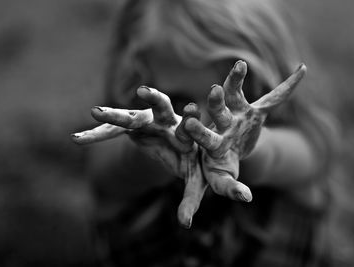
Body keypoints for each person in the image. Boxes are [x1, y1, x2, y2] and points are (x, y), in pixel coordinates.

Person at [72, 0, 338, 266]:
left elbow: (310, 153)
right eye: (177, 100)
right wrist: (154, 153)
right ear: (136, 83)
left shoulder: (297, 151)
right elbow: (105, 172)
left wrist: (247, 148)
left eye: (234, 101)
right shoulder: (125, 165)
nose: (204, 121)